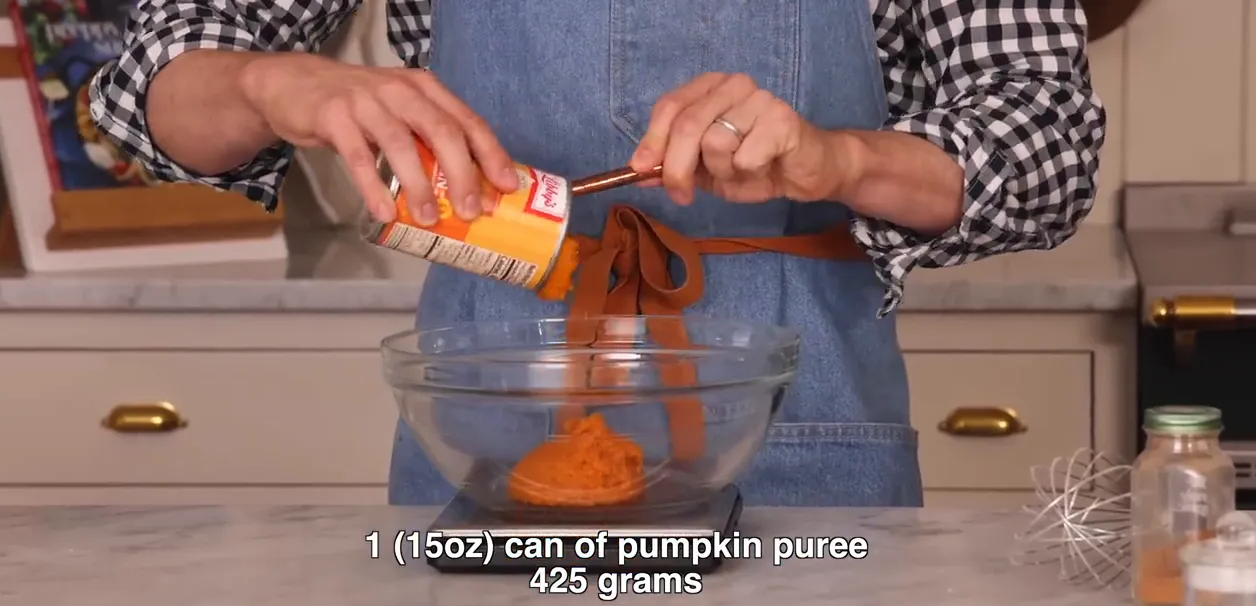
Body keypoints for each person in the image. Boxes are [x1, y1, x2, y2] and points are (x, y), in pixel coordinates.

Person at [90, 0, 1105, 507]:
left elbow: (1047, 146)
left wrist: (839, 158)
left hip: (810, 439)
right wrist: (276, 86)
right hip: (484, 447)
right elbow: (148, 96)